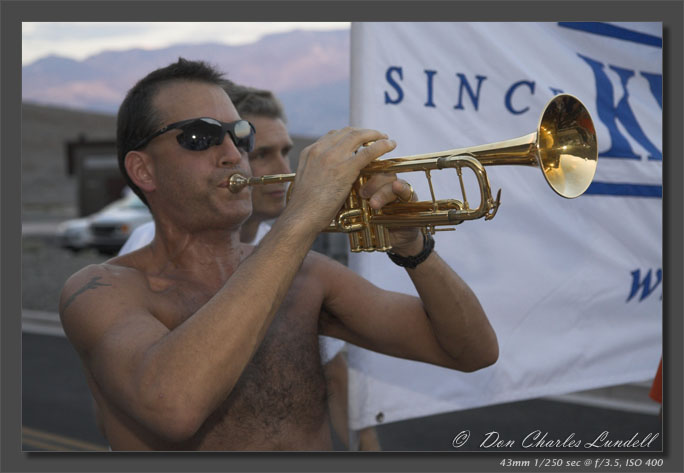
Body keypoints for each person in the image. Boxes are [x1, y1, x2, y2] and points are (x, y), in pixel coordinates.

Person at [59, 58, 498, 451]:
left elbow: (472, 351)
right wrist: (301, 217)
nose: (233, 155)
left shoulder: (310, 277)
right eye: (200, 137)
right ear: (143, 170)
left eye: (239, 136)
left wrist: (415, 249)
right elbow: (173, 406)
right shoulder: (101, 292)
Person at [118, 80, 373, 449]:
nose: (283, 169)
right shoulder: (144, 249)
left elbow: (334, 375)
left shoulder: (297, 253)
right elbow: (154, 400)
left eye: (285, 151)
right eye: (261, 151)